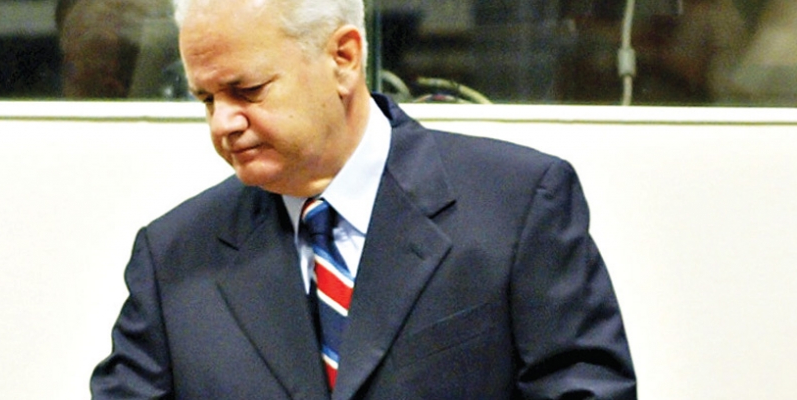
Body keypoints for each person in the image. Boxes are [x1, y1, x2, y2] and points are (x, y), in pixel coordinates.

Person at [90, 0, 637, 398]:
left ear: (343, 57)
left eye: (247, 91)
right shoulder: (174, 255)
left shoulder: (516, 205)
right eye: (207, 99)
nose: (223, 123)